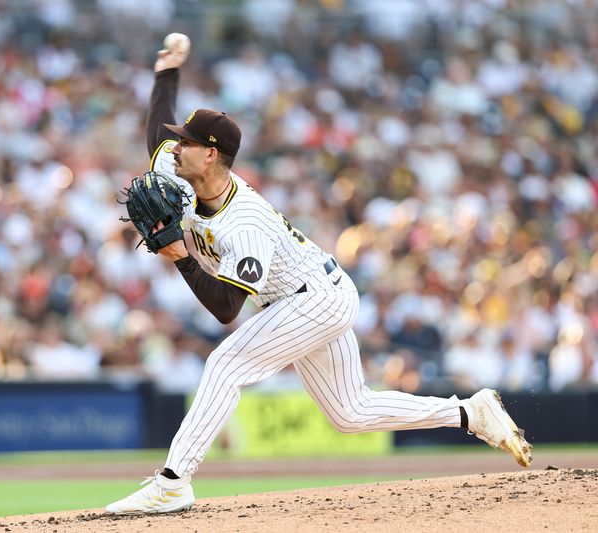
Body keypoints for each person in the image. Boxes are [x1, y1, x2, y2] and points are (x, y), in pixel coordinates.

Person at [105, 35, 532, 515]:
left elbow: (226, 310)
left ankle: (172, 482)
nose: (174, 149)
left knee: (226, 365)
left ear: (210, 154)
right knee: (350, 413)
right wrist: (168, 72)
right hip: (299, 296)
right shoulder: (179, 167)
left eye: (184, 142)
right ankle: (469, 413)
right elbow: (153, 139)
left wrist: (181, 257)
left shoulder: (246, 223)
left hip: (314, 298)